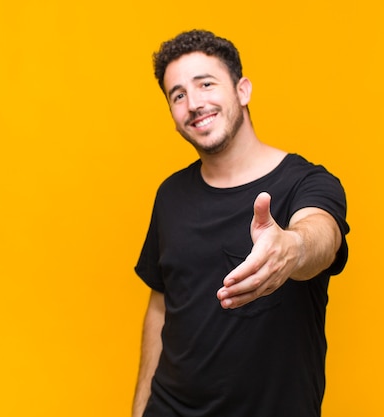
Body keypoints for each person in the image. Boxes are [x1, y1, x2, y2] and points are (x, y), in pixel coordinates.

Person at [132, 29, 350, 417]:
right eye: (178, 95)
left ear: (243, 90)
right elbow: (161, 306)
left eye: (206, 84)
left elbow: (322, 235)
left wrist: (293, 248)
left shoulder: (307, 182)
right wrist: (140, 409)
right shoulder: (169, 195)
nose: (194, 103)